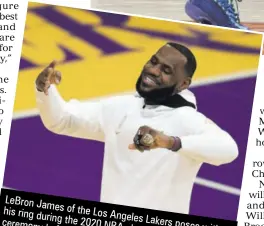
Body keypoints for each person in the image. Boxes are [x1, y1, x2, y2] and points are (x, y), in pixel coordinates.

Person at [35, 42, 239, 214]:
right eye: (153, 61)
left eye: (166, 70)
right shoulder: (121, 107)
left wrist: (170, 142)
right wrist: (45, 90)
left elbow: (229, 150)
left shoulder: (187, 119)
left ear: (183, 84)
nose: (153, 70)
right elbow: (62, 120)